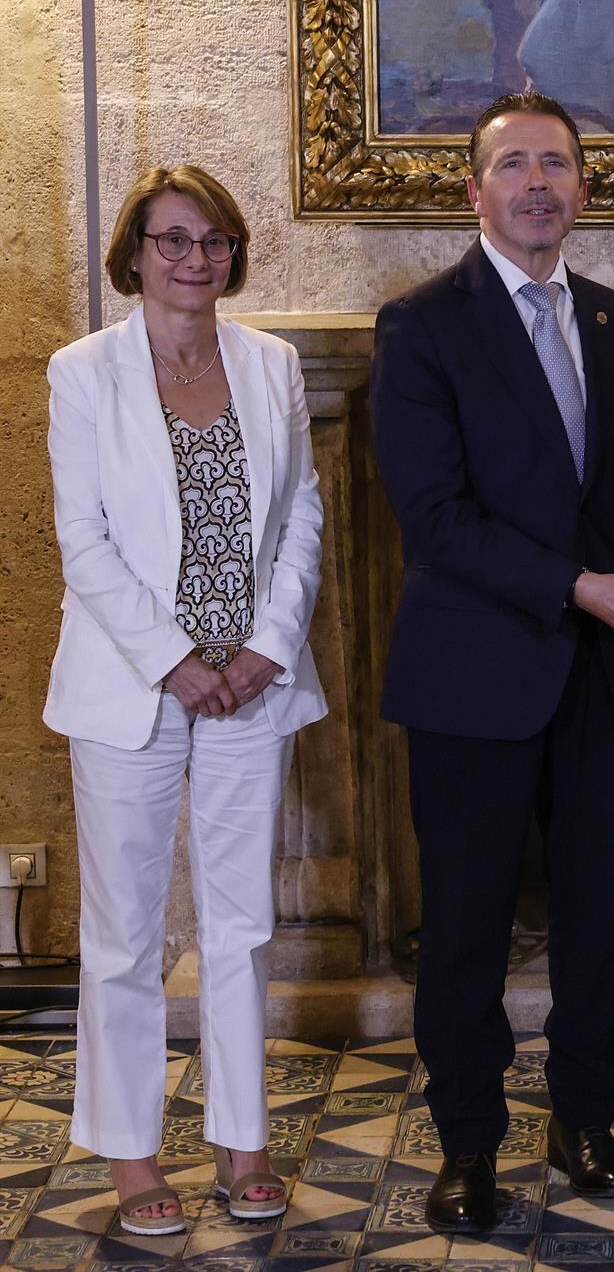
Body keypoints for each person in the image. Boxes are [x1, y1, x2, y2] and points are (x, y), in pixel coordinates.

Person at [371, 92, 614, 1232]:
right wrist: (570, 587)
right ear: (475, 190)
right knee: (466, 926)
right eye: (515, 166)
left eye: (557, 163)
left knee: (601, 915)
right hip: (474, 676)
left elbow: (612, 498)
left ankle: (584, 1120)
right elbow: (434, 517)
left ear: (585, 188)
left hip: (602, 678)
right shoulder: (420, 325)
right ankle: (468, 1146)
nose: (538, 183)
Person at [44, 166, 327, 1233]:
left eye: (212, 240)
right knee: (123, 935)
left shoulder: (272, 364)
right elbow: (85, 540)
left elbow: (300, 516)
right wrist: (174, 661)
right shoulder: (85, 372)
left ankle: (241, 1140)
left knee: (242, 926)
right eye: (172, 240)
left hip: (253, 687)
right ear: (135, 253)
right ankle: (128, 1158)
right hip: (132, 690)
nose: (194, 259)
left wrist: (264, 648)